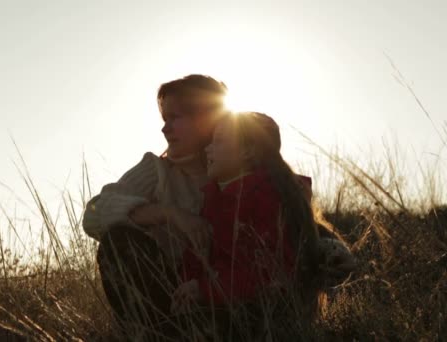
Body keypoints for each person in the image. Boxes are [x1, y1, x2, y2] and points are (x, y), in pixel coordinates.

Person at [82, 75, 355, 336]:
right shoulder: (156, 170)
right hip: (175, 299)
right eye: (165, 119)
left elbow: (278, 235)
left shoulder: (245, 170)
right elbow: (94, 216)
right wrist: (170, 215)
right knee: (118, 243)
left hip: (238, 298)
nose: (165, 128)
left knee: (307, 235)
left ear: (205, 119)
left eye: (175, 117)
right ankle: (160, 335)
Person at [171, 112, 323, 338]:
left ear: (248, 151)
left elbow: (270, 272)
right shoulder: (214, 199)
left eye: (218, 141)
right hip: (216, 308)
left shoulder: (267, 197)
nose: (207, 149)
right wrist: (189, 284)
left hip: (261, 319)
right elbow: (197, 253)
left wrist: (204, 289)